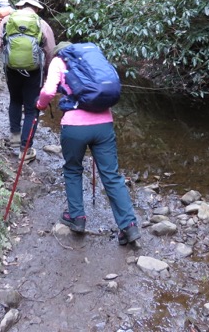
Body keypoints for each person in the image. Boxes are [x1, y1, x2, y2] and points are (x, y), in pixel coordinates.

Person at [35, 41, 141, 245]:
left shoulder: (58, 61)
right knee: (111, 175)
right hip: (104, 125)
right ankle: (129, 226)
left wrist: (39, 105)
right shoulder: (92, 61)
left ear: (59, 52)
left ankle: (77, 218)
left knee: (73, 170)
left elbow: (48, 92)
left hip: (74, 127)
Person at [0, 0, 55, 162]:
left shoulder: (7, 21)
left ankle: (14, 136)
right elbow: (50, 53)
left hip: (11, 70)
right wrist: (50, 77)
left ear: (20, 6)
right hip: (34, 72)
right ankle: (25, 151)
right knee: (31, 109)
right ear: (36, 7)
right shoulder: (42, 24)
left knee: (15, 100)